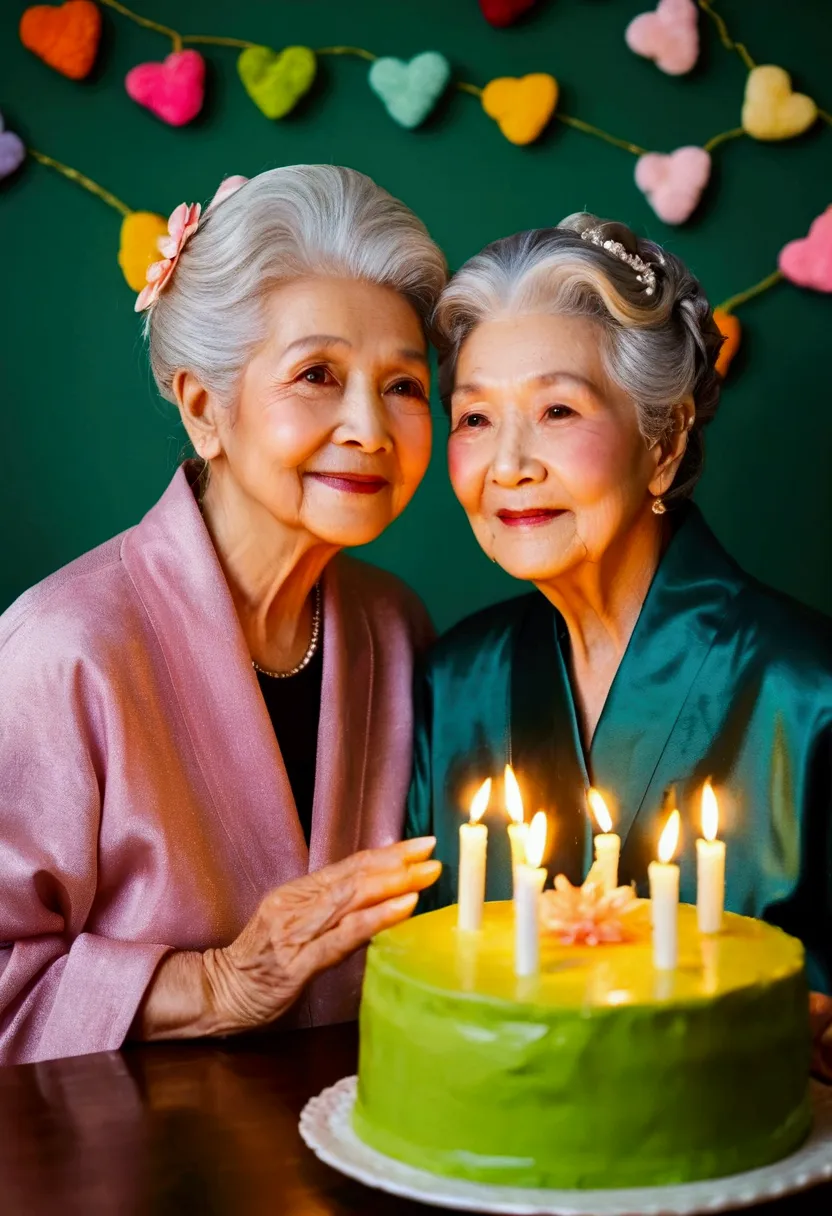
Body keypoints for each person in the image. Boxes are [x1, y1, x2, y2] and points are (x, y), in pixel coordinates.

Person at [0, 165, 445, 1065]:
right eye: (318, 374)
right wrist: (224, 981)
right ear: (206, 408)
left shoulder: (397, 629)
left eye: (404, 385)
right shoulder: (65, 648)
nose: (371, 426)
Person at [407, 213, 832, 1068]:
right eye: (475, 419)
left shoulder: (808, 690)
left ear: (664, 443)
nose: (509, 465)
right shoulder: (453, 684)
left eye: (557, 409)